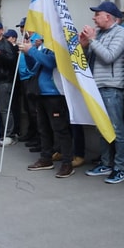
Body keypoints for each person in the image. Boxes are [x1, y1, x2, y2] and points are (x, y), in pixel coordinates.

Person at [79, 1, 124, 185]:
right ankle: (105, 163)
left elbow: (109, 57)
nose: (94, 18)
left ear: (108, 16)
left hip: (112, 88)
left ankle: (120, 168)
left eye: (97, 14)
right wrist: (84, 46)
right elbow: (87, 61)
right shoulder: (99, 34)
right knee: (102, 128)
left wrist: (92, 40)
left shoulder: (121, 33)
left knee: (117, 129)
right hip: (97, 87)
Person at [20, 34, 74, 178]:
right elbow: (33, 67)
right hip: (42, 94)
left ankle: (67, 163)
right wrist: (27, 54)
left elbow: (51, 63)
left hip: (55, 94)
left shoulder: (59, 46)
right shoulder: (45, 48)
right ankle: (46, 158)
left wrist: (31, 50)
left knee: (61, 129)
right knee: (43, 128)